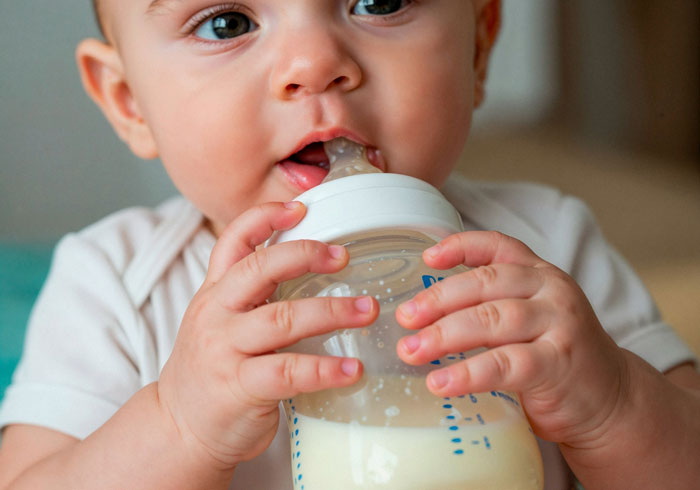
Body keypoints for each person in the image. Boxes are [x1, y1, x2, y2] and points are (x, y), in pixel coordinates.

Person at [0, 0, 698, 488]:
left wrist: (614, 406)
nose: (315, 64)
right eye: (227, 23)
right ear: (129, 101)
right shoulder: (113, 284)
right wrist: (178, 425)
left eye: (378, 0)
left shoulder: (544, 251)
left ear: (479, 43)